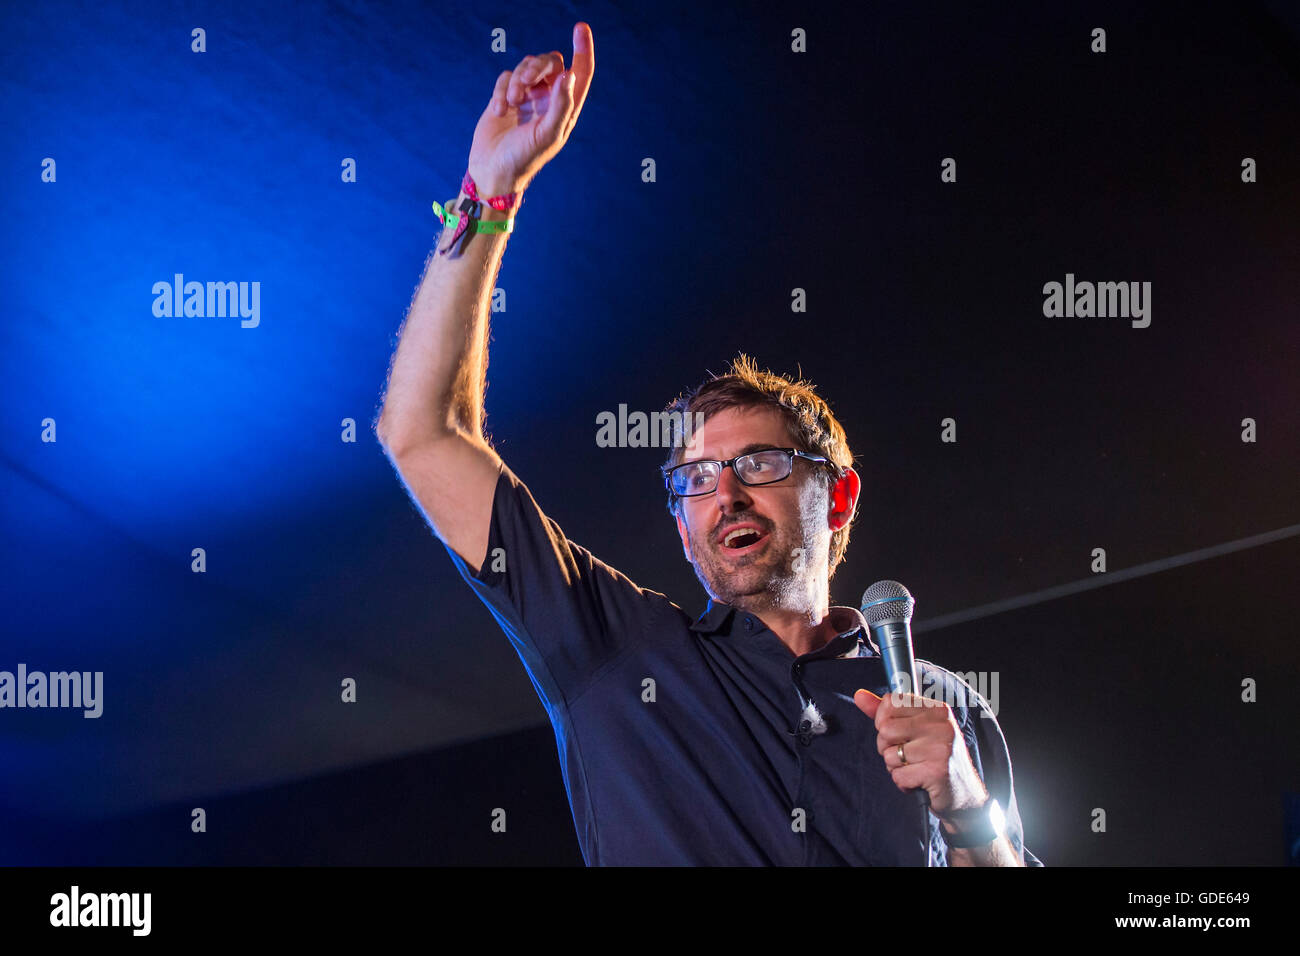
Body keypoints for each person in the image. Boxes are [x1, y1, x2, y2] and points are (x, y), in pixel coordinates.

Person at [375, 21, 1041, 866]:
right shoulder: (616, 651)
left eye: (758, 465)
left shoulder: (941, 705)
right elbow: (422, 433)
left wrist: (967, 807)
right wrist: (488, 190)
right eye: (693, 479)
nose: (723, 494)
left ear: (836, 495)